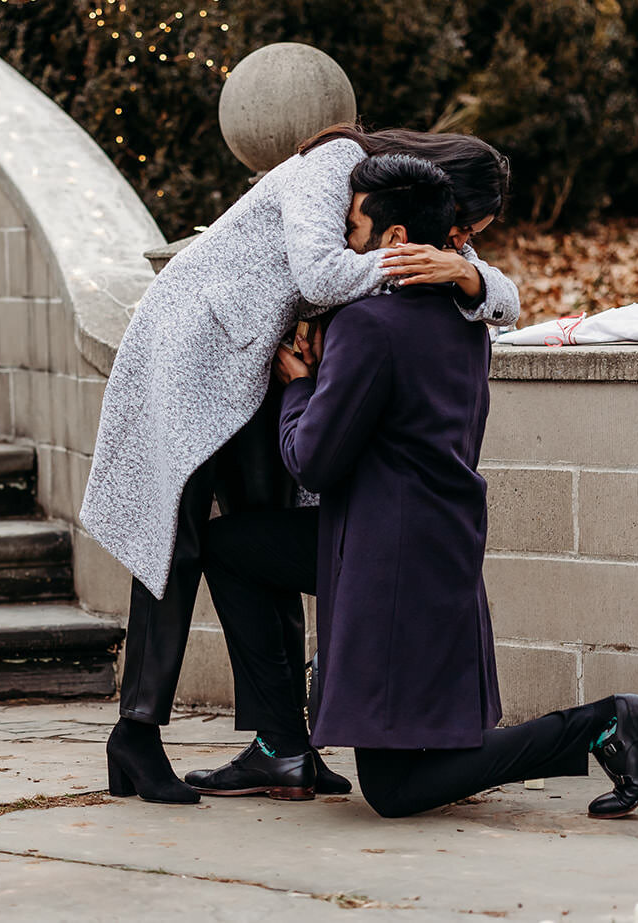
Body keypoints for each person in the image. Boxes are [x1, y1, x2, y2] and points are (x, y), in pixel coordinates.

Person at [189, 153, 638, 817]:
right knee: (232, 546)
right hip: (426, 543)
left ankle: (601, 723)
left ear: (394, 240)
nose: (339, 243)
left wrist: (298, 389)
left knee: (396, 788)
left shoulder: (367, 327)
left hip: (389, 563)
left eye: (352, 227)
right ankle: (283, 745)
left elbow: (313, 462)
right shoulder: (467, 323)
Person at [82, 125, 521, 804]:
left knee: (262, 527)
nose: (458, 243)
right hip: (193, 343)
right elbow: (321, 272)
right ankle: (135, 734)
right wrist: (421, 262)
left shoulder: (398, 201)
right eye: (461, 230)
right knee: (178, 538)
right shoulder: (334, 164)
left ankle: (282, 746)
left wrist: (467, 272)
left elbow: (502, 301)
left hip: (256, 360)